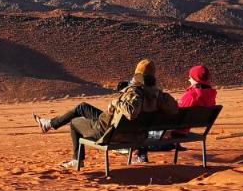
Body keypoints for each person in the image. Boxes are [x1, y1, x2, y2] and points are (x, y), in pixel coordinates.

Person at [34, 58, 178, 169]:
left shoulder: (136, 93)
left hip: (109, 131)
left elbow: (131, 112)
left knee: (74, 123)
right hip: (122, 126)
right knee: (82, 107)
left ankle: (78, 160)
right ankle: (49, 124)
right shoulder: (157, 96)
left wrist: (115, 103)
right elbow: (174, 109)